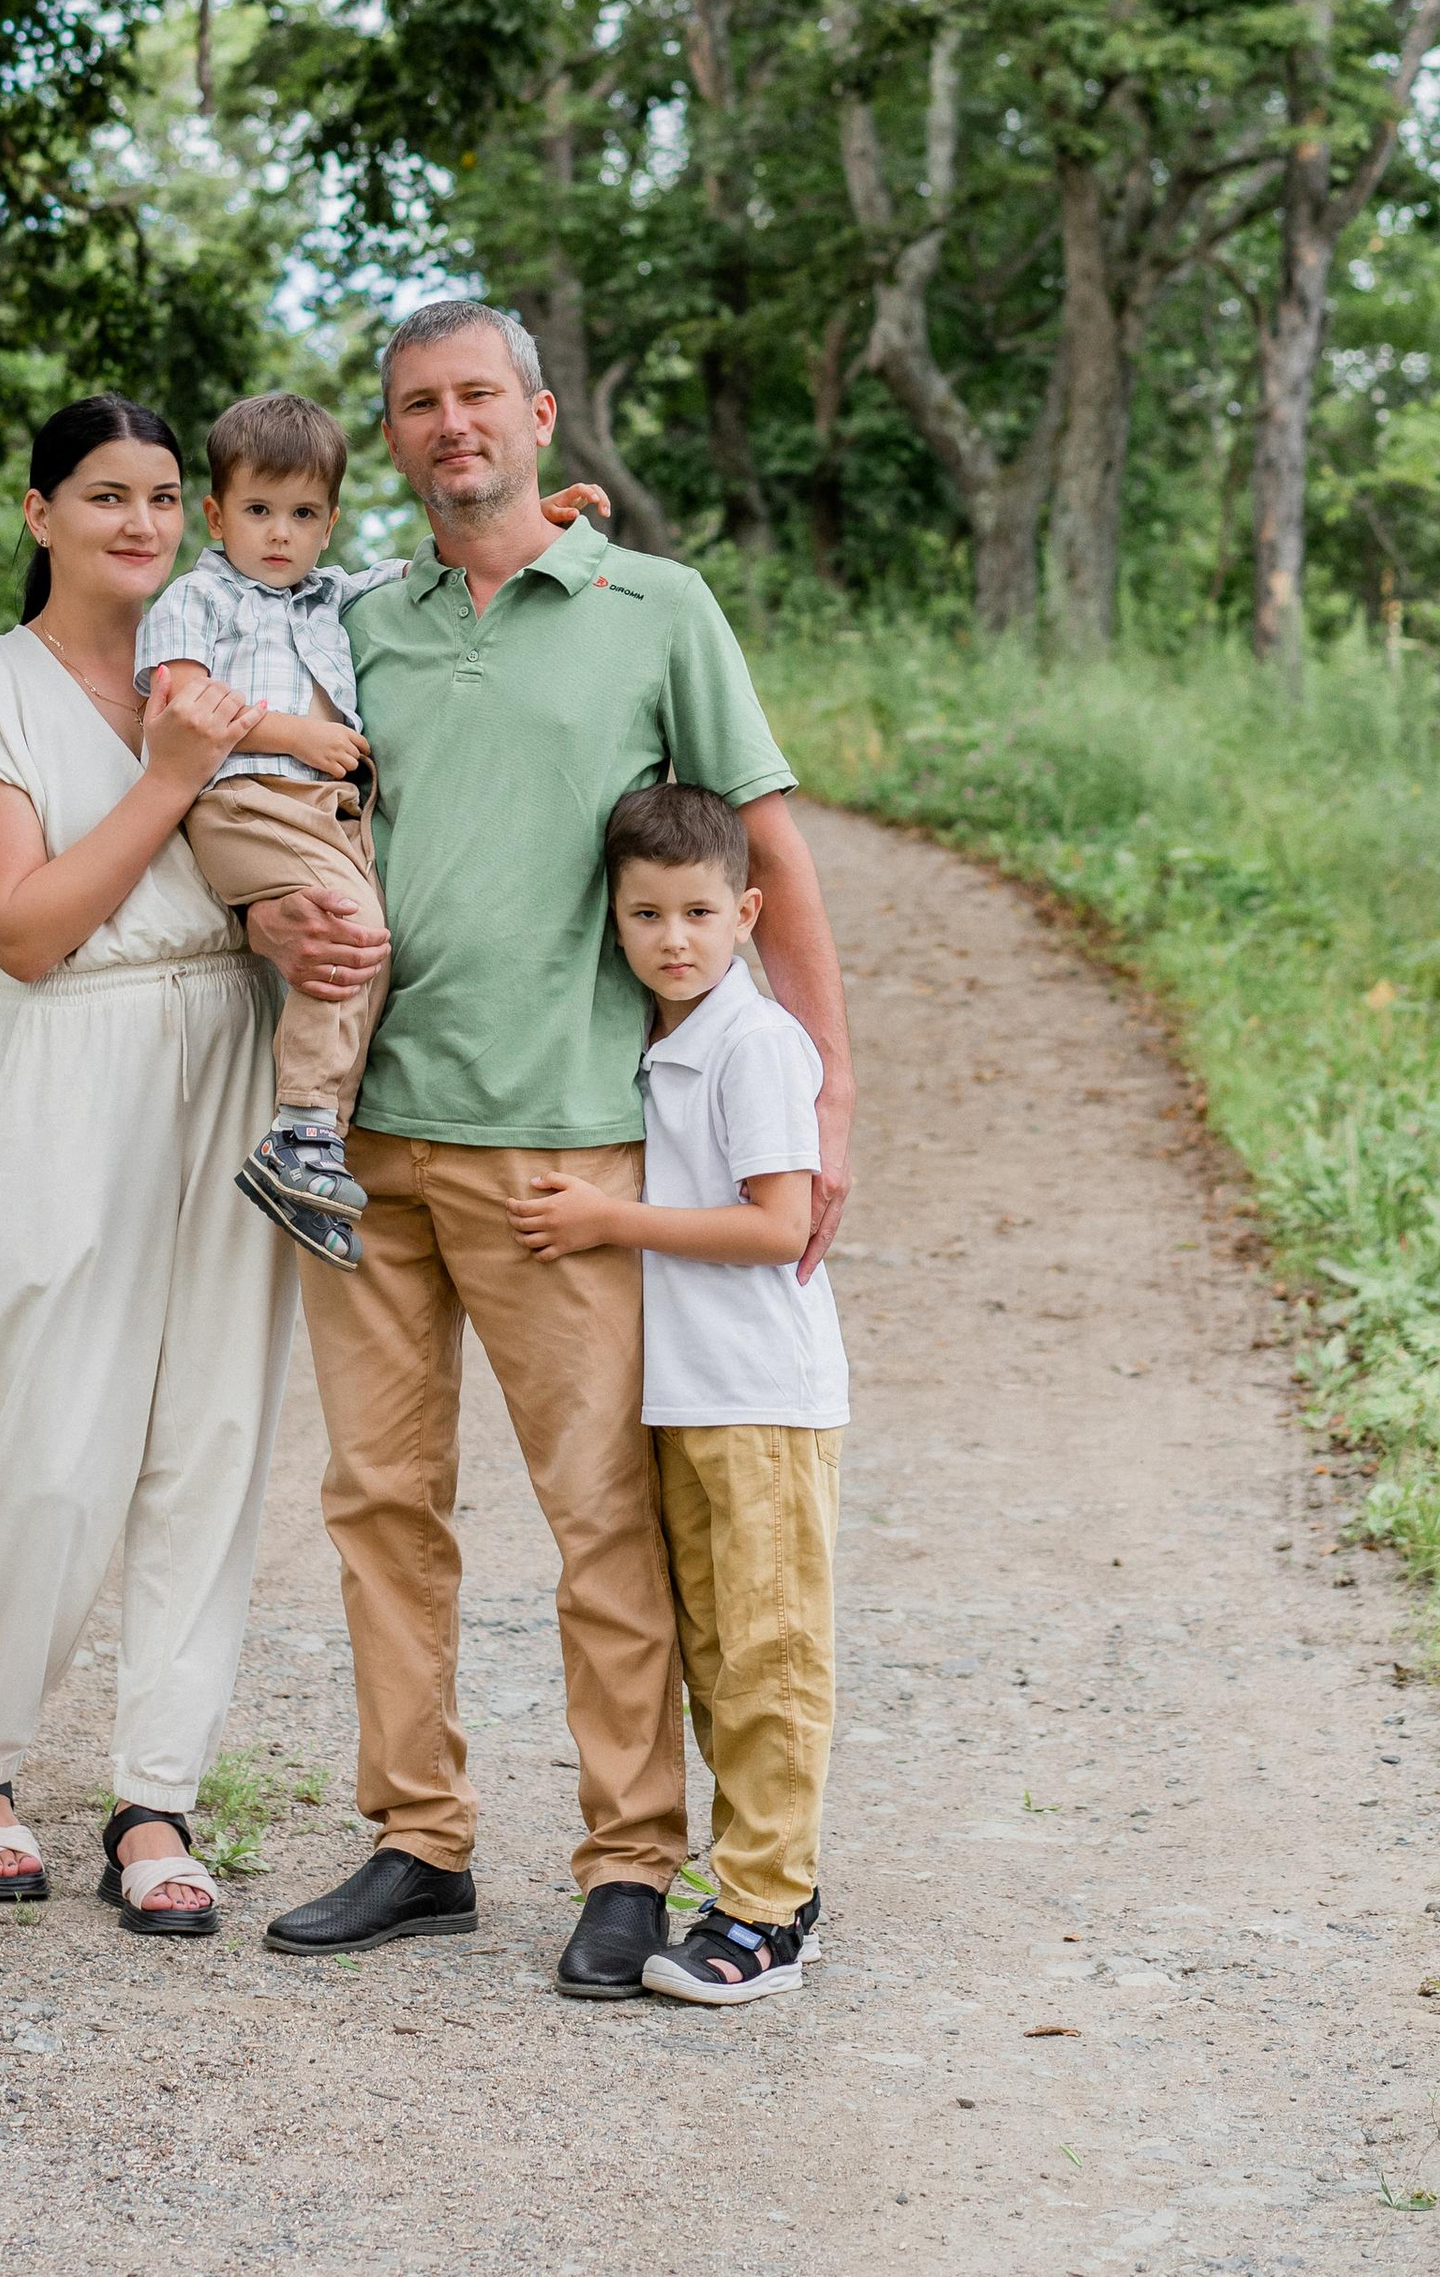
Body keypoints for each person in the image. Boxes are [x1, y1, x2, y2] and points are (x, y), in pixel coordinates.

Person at [254, 299, 854, 2001]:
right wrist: (276, 938)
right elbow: (273, 815)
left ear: (540, 412)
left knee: (600, 1519)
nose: (453, 427)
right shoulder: (353, 629)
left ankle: (625, 1860)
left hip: (569, 1156)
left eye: (477, 398)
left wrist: (827, 1096)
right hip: (365, 1140)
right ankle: (419, 1840)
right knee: (380, 1504)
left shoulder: (657, 608)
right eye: (417, 406)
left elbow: (775, 862)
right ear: (392, 439)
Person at [0, 394, 289, 1933]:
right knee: (49, 1426)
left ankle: (155, 1796)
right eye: (105, 493)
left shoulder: (237, 655)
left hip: (234, 1041)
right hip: (71, 1055)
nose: (140, 522)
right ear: (37, 510)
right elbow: (30, 932)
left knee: (217, 1425)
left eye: (166, 496)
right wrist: (173, 773)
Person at [140, 390, 611, 1274]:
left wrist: (531, 519)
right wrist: (297, 735)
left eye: (304, 515)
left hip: (323, 816)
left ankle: (316, 1134)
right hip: (245, 801)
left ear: (329, 525)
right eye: (258, 511)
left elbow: (421, 568)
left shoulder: (330, 595)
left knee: (360, 947)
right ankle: (302, 1134)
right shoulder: (195, 600)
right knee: (354, 934)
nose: (280, 533)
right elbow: (178, 708)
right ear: (216, 513)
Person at [510, 783, 847, 2004]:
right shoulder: (660, 1038)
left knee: (768, 1655)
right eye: (646, 914)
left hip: (760, 1398)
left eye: (700, 912)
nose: (673, 940)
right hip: (690, 1396)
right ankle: (767, 1883)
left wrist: (607, 1221)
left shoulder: (752, 1043)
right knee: (713, 1654)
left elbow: (779, 1225)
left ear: (748, 912)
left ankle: (766, 1915)